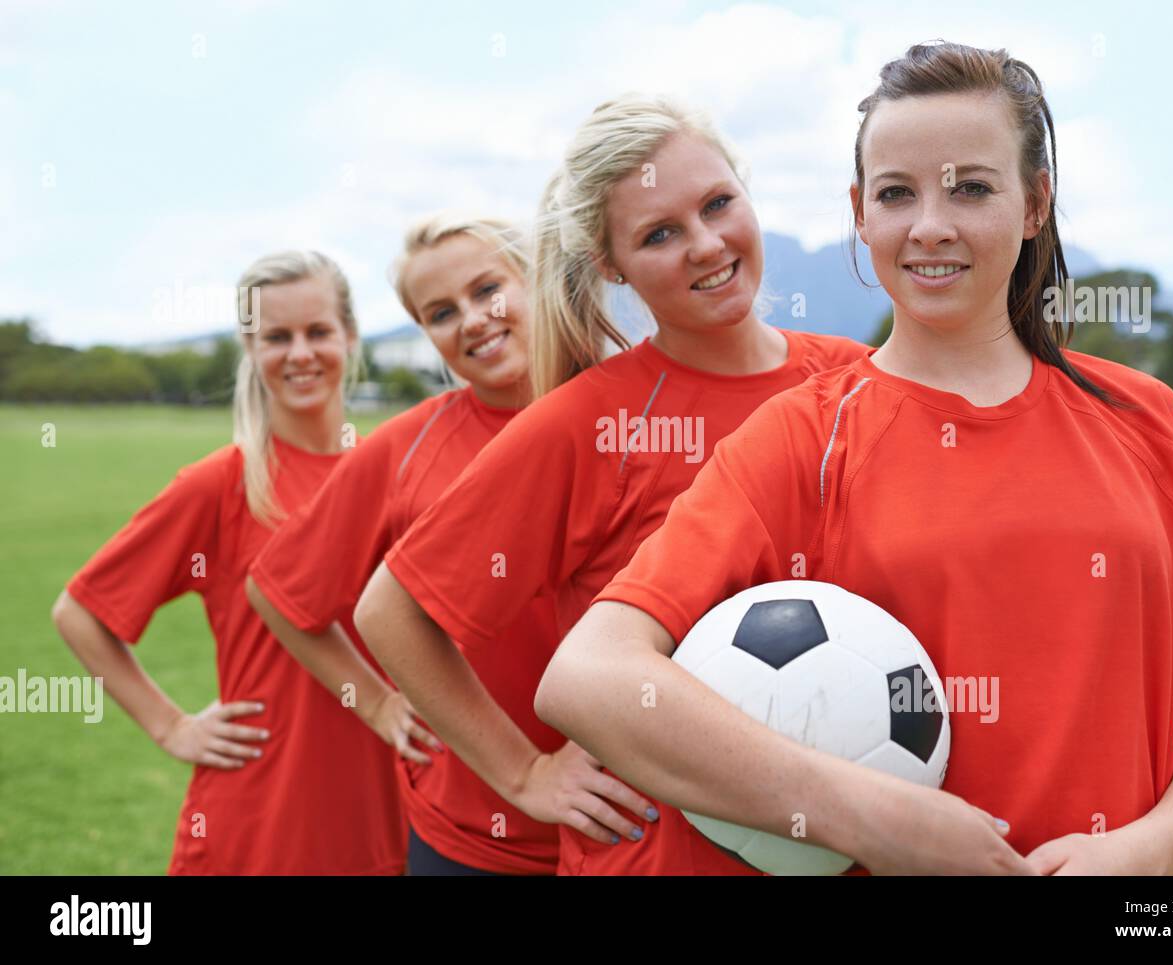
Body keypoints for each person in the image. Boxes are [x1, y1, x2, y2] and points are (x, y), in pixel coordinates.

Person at [536, 42, 1173, 875]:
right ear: (861, 213)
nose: (931, 223)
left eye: (971, 187)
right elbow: (588, 676)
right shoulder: (801, 439)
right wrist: (864, 815)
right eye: (897, 193)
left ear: (1035, 203)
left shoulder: (1148, 419)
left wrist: (1150, 851)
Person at [354, 93, 869, 875]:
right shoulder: (589, 421)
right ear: (609, 264)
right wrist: (522, 773)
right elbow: (391, 610)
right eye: (659, 234)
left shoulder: (857, 381)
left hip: (850, 843)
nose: (704, 244)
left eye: (718, 204)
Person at [52, 251, 406, 874]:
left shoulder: (393, 470)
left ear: (350, 336)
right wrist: (172, 727)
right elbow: (81, 612)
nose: (300, 353)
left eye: (318, 331)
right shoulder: (224, 484)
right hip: (260, 820)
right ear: (250, 347)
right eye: (277, 337)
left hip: (388, 814)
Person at [246, 214, 575, 875]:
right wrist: (376, 701)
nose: (474, 319)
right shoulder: (405, 448)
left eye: (488, 289)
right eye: (441, 313)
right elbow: (278, 589)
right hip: (472, 840)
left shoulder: (626, 407)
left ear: (535, 279)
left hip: (638, 823)